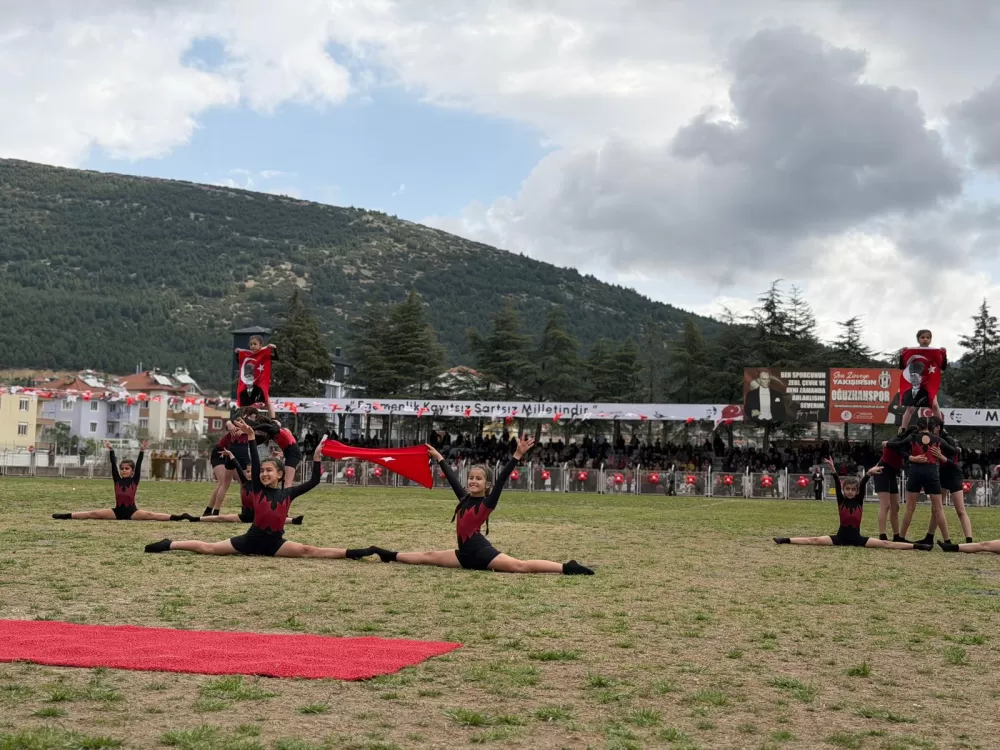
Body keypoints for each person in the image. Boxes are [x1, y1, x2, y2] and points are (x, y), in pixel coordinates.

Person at [371, 437, 594, 575]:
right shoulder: (464, 498)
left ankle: (566, 567)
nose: (473, 481)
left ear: (486, 485)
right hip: (463, 556)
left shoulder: (487, 503)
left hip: (482, 553)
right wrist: (439, 458)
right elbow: (452, 480)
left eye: (478, 479)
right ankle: (389, 555)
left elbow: (502, 479)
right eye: (471, 478)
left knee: (520, 567)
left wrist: (517, 455)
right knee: (427, 556)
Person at [145, 423, 370, 559]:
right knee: (209, 548)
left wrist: (317, 456)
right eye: (262, 471)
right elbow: (253, 460)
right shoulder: (257, 490)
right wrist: (251, 437)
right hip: (250, 541)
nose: (263, 474)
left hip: (275, 545)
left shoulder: (288, 494)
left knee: (309, 551)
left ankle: (356, 552)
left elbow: (313, 481)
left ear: (280, 474)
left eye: (269, 470)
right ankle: (170, 544)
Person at [774, 458, 931, 551]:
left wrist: (869, 473)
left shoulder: (859, 499)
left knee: (885, 543)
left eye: (852, 489)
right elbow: (837, 482)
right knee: (813, 540)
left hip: (857, 539)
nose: (850, 492)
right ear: (844, 490)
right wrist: (833, 470)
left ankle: (918, 547)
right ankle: (785, 539)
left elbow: (863, 483)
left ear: (857, 491)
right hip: (840, 538)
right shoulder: (841, 500)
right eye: (847, 489)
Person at [53, 441, 188, 522]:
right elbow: (113, 464)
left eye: (127, 469)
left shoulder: (134, 480)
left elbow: (139, 464)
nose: (123, 471)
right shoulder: (117, 480)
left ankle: (177, 517)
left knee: (151, 515)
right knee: (93, 514)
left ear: (132, 471)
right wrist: (111, 450)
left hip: (132, 512)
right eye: (122, 469)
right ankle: (65, 516)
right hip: (116, 512)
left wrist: (142, 451)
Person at [187, 448, 304, 526]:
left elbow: (268, 467)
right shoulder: (244, 482)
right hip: (245, 516)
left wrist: (275, 457)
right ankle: (195, 518)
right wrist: (231, 455)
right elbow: (237, 466)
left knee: (275, 518)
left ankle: (293, 520)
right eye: (247, 472)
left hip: (259, 515)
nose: (249, 474)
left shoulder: (259, 484)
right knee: (222, 518)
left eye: (251, 472)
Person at [889, 419, 954, 546]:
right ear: (931, 427)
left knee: (910, 508)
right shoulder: (937, 439)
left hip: (916, 471)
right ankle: (947, 541)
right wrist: (941, 455)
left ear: (918, 426)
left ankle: (901, 538)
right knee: (938, 509)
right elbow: (954, 450)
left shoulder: (912, 438)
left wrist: (910, 457)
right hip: (932, 472)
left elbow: (895, 446)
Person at [204, 407, 278, 517]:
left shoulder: (249, 431)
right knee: (225, 482)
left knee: (240, 483)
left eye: (255, 418)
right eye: (252, 417)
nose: (253, 419)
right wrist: (230, 423)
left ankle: (240, 509)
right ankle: (210, 510)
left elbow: (252, 434)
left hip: (230, 452)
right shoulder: (242, 424)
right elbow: (233, 425)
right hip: (221, 453)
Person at [922, 422, 973, 545]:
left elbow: (953, 461)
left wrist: (941, 457)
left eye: (932, 429)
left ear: (938, 428)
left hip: (954, 474)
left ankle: (969, 541)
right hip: (942, 474)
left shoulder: (947, 440)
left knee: (960, 510)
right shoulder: (934, 440)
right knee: (936, 509)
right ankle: (929, 537)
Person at [899, 329, 946, 429]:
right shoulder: (912, 352)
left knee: (934, 405)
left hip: (928, 382)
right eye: (922, 337)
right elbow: (902, 366)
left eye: (928, 337)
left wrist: (944, 355)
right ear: (918, 339)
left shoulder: (935, 352)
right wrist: (902, 354)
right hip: (916, 383)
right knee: (910, 409)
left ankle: (941, 428)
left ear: (930, 340)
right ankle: (902, 429)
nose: (925, 339)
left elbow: (942, 367)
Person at [873, 440, 904, 542]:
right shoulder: (897, 443)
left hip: (892, 475)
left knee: (895, 507)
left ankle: (896, 535)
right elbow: (885, 444)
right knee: (885, 505)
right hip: (882, 472)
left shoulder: (905, 444)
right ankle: (882, 535)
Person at [235, 336, 276, 408]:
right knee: (248, 402)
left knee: (267, 402)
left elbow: (275, 357)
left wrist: (273, 348)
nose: (252, 346)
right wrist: (238, 352)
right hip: (252, 382)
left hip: (262, 381)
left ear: (260, 345)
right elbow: (239, 361)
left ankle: (270, 415)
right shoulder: (249, 355)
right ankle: (250, 412)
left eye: (255, 344)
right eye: (251, 344)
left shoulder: (264, 352)